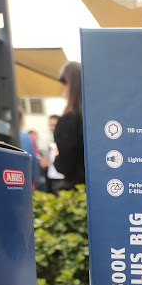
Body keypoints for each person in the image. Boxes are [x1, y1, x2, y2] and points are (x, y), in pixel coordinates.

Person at [53, 61, 85, 190]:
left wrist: (56, 160)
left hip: (76, 191)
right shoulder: (95, 118)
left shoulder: (67, 121)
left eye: (64, 84)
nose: (63, 90)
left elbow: (66, 165)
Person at [40, 115, 66, 194]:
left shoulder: (66, 141)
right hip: (51, 179)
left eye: (54, 125)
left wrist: (57, 151)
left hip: (61, 180)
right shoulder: (51, 141)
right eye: (50, 125)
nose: (52, 128)